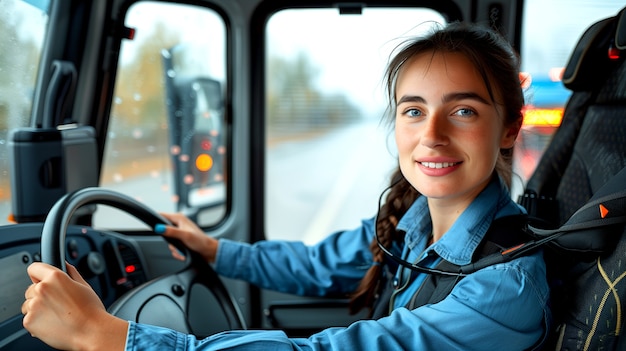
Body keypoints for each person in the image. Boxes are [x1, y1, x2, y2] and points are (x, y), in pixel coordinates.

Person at [21, 21, 550, 350]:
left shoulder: (504, 287)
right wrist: (214, 248)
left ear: (509, 127)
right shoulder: (412, 220)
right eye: (414, 111)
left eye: (462, 110)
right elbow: (317, 264)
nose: (431, 136)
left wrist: (109, 337)